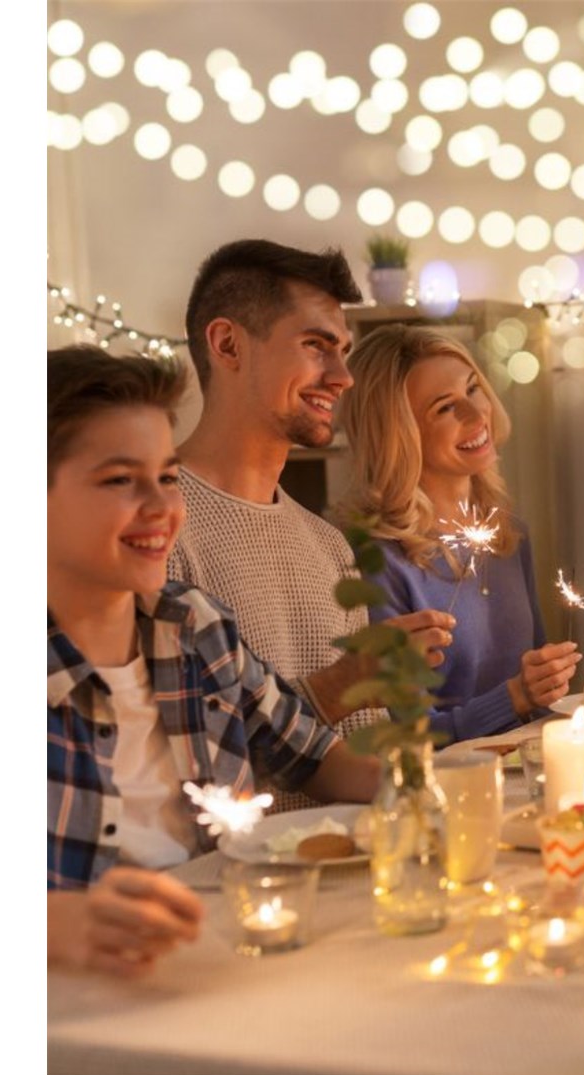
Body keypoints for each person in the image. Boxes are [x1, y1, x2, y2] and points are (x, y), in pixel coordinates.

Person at [47, 345, 384, 976]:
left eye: (168, 477)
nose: (161, 508)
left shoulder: (191, 624)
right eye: (121, 480)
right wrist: (56, 924)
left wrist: (423, 793)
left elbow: (313, 756)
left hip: (219, 959)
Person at [167, 240, 455, 809]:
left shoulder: (329, 547)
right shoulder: (155, 533)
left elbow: (353, 761)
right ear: (228, 344)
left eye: (343, 349)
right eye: (316, 345)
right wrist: (338, 685)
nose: (343, 376)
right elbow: (175, 766)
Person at [333, 326, 579, 741]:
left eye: (473, 390)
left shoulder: (509, 535)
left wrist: (546, 683)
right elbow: (397, 733)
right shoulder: (375, 562)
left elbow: (537, 688)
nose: (476, 414)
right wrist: (514, 697)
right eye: (445, 408)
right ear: (398, 437)